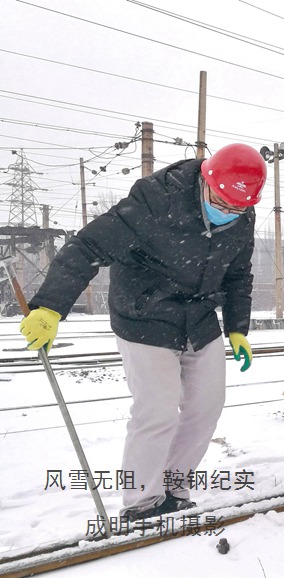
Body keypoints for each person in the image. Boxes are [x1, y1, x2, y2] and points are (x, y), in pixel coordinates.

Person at [19, 144, 267, 521]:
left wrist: (237, 328)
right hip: (144, 314)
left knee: (205, 409)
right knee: (157, 411)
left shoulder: (241, 216)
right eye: (222, 203)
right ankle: (142, 503)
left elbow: (237, 276)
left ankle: (173, 488)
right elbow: (88, 245)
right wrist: (51, 307)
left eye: (238, 208)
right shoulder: (156, 201)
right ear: (207, 179)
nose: (228, 213)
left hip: (199, 319)